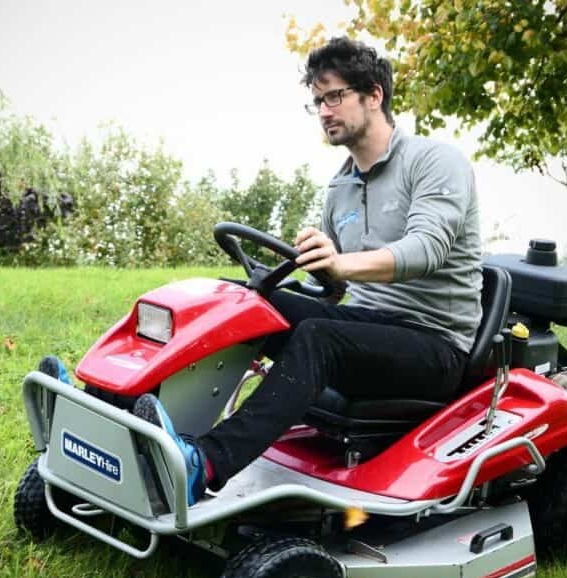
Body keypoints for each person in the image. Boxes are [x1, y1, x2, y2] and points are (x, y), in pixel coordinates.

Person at [130, 36, 484, 505]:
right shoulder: (340, 187)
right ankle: (125, 418)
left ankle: (205, 463)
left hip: (435, 346)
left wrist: (340, 262)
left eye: (334, 96)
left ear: (374, 95)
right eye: (317, 101)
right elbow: (337, 288)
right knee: (239, 301)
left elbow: (427, 249)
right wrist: (320, 270)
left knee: (319, 337)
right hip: (367, 325)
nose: (324, 110)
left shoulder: (436, 163)